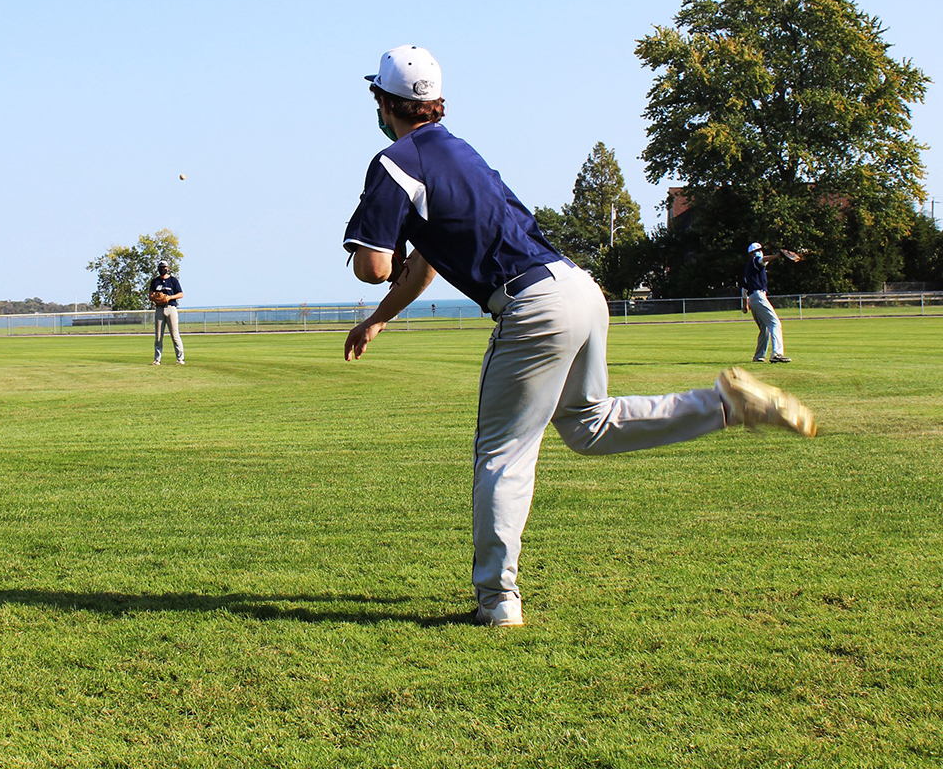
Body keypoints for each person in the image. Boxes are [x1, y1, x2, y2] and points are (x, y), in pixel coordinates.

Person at [343, 45, 816, 627]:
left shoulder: (394, 161)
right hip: (578, 289)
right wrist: (380, 318)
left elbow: (375, 266)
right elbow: (426, 266)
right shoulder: (460, 152)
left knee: (503, 454)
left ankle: (497, 601)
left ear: (384, 101)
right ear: (435, 102)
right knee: (589, 426)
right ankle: (725, 405)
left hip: (530, 305)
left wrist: (376, 264)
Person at [741, 242, 790, 363]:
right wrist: (777, 256)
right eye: (758, 250)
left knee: (765, 328)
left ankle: (759, 356)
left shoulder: (748, 268)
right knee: (775, 323)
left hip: (753, 299)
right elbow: (762, 260)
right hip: (758, 296)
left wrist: (745, 304)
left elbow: (744, 288)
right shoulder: (756, 261)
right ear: (752, 254)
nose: (759, 252)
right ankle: (777, 354)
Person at [148, 260, 184, 365]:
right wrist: (155, 296)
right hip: (159, 309)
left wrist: (169, 297)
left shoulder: (173, 280)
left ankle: (180, 359)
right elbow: (150, 295)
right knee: (158, 336)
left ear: (167, 268)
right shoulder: (155, 281)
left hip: (171, 308)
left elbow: (181, 294)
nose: (162, 269)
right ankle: (157, 359)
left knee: (175, 335)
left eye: (164, 267)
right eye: (160, 267)